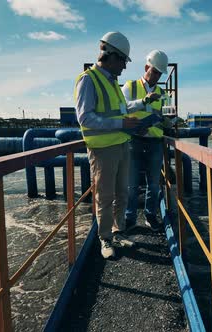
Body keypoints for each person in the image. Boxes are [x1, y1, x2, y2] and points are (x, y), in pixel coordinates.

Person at [74, 32, 158, 259]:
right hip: (103, 150)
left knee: (122, 193)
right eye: (122, 61)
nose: (124, 67)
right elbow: (85, 118)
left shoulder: (111, 82)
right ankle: (105, 238)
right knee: (105, 195)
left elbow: (122, 110)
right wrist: (121, 123)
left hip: (122, 144)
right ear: (110, 56)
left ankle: (118, 232)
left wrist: (137, 117)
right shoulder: (88, 80)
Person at [122, 50, 170, 232]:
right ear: (146, 68)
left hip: (155, 142)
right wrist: (143, 101)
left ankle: (150, 215)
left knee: (153, 184)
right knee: (132, 184)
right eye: (154, 71)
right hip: (133, 140)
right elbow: (122, 107)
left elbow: (168, 117)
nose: (157, 76)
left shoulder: (162, 92)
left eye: (159, 73)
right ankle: (129, 217)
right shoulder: (130, 87)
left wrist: (168, 120)